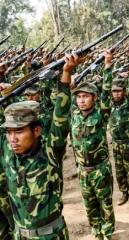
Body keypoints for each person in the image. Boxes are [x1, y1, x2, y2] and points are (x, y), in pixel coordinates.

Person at [0, 52, 82, 239]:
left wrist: (66, 73)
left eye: (19, 132)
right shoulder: (7, 153)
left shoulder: (50, 153)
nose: (13, 139)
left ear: (37, 131)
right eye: (9, 132)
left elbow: (61, 117)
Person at [70, 50, 115, 240]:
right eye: (79, 97)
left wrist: (107, 66)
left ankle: (107, 232)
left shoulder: (101, 113)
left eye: (86, 96)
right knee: (89, 204)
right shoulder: (73, 114)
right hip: (83, 170)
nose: (81, 100)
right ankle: (96, 229)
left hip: (100, 169)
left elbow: (106, 91)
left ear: (94, 98)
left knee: (105, 203)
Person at [109, 78, 129, 205]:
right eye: (114, 91)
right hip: (116, 144)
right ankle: (124, 192)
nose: (116, 93)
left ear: (124, 92)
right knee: (119, 170)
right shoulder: (110, 106)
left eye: (119, 91)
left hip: (128, 143)